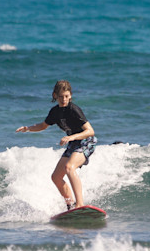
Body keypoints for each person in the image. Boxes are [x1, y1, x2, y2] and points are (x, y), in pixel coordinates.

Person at [16, 80, 97, 210]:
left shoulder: (74, 110)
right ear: (55, 96)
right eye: (61, 96)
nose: (64, 99)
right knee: (56, 177)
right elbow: (42, 126)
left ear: (70, 95)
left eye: (66, 96)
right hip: (73, 143)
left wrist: (71, 137)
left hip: (87, 141)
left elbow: (90, 131)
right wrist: (28, 128)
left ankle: (80, 203)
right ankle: (70, 205)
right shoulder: (55, 112)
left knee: (69, 167)